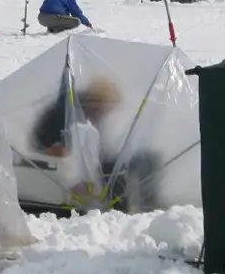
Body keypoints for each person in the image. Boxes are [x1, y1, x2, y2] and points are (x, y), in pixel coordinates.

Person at [30, 75, 158, 210]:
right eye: (104, 107)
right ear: (94, 100)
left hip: (92, 164)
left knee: (147, 159)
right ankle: (120, 211)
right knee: (116, 171)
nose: (104, 113)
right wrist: (56, 151)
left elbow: (100, 149)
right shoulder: (67, 113)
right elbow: (44, 141)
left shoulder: (88, 116)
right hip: (71, 167)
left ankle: (149, 205)